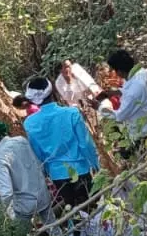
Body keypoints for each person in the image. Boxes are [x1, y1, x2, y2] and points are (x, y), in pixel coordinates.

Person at [22, 77, 99, 208]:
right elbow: (85, 144)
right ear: (52, 93)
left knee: (73, 210)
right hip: (80, 169)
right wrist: (96, 165)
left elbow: (38, 154)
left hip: (57, 175)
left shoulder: (30, 123)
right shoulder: (71, 113)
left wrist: (47, 172)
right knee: (92, 207)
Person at [0, 116, 55, 230]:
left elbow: (6, 193)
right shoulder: (21, 141)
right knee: (54, 227)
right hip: (43, 194)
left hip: (25, 205)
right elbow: (39, 164)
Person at [97, 49, 147, 149]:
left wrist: (98, 107)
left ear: (119, 71)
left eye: (114, 70)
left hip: (142, 133)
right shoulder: (142, 73)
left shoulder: (132, 92)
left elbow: (119, 116)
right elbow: (131, 89)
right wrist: (115, 92)